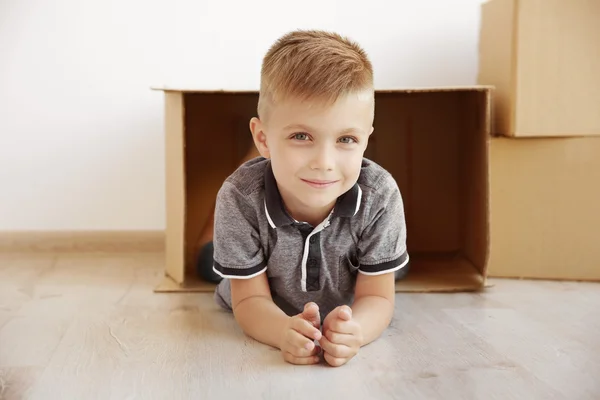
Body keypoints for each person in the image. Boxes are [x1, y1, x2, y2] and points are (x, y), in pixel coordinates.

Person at [205, 29, 409, 367]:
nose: (324, 163)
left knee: (394, 270)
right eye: (302, 136)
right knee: (210, 265)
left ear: (366, 140)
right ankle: (210, 253)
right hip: (261, 292)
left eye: (346, 139)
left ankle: (390, 261)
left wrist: (354, 331)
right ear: (263, 138)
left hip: (347, 289)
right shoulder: (239, 197)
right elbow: (249, 300)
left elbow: (377, 297)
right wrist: (282, 330)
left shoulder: (380, 195)